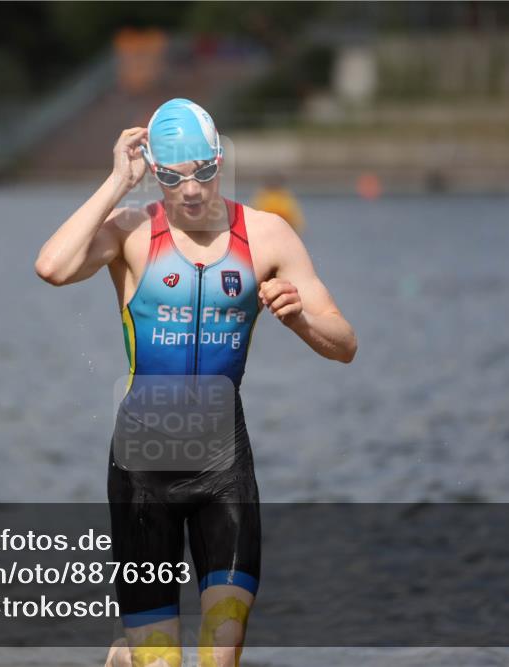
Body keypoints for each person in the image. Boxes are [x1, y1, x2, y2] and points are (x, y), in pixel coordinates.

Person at [35, 98, 356, 667]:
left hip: (221, 465)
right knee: (161, 660)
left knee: (221, 647)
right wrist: (116, 182)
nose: (189, 190)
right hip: (142, 472)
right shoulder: (132, 232)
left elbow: (344, 344)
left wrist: (300, 319)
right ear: (154, 174)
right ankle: (131, 657)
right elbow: (52, 267)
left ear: (220, 161)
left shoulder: (267, 235)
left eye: (203, 172)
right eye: (172, 177)